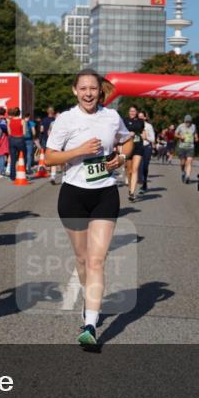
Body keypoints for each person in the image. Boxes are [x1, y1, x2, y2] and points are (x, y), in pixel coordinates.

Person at [44, 69, 132, 346]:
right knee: (82, 259)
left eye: (93, 88)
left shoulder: (111, 117)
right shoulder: (65, 120)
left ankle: (91, 324)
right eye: (83, 88)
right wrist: (78, 151)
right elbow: (48, 158)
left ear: (100, 91)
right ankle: (88, 299)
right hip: (73, 194)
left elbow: (127, 141)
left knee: (96, 260)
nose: (88, 93)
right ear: (75, 91)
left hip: (105, 193)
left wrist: (120, 157)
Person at [122, 106, 145, 202]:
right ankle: (130, 188)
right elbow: (120, 132)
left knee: (135, 169)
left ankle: (132, 193)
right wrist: (128, 134)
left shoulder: (140, 121)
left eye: (134, 111)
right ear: (128, 112)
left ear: (136, 112)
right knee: (129, 170)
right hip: (128, 146)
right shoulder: (125, 120)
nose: (132, 112)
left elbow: (142, 132)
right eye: (130, 111)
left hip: (138, 146)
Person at [176, 114, 198, 183]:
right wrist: (180, 137)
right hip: (182, 147)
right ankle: (183, 172)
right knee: (182, 163)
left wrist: (196, 137)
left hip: (190, 147)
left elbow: (195, 133)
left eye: (189, 122)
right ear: (184, 121)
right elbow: (175, 134)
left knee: (189, 162)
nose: (188, 123)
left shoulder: (193, 126)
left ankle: (188, 176)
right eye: (187, 122)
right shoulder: (181, 126)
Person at [139, 111, 155, 193]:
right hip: (138, 147)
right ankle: (138, 182)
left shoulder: (149, 126)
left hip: (147, 147)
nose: (140, 118)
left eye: (142, 117)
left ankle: (144, 184)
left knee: (145, 166)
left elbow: (153, 139)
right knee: (138, 166)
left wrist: (146, 138)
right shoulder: (136, 125)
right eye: (139, 116)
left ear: (145, 117)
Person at [8, 107, 26, 180]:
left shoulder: (9, 121)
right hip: (20, 139)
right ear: (19, 113)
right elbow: (24, 133)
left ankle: (12, 176)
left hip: (12, 139)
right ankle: (22, 172)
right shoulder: (22, 121)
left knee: (13, 159)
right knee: (22, 157)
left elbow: (9, 132)